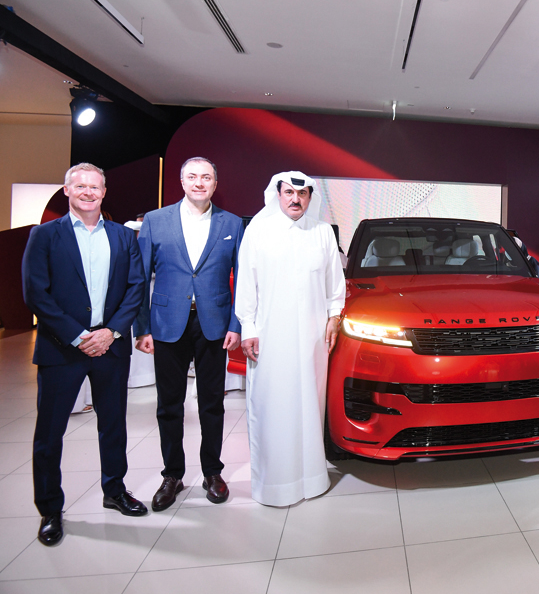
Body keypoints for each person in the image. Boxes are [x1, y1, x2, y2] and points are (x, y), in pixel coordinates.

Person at [22, 163, 147, 546]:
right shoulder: (45, 235)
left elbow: (136, 287)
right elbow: (35, 293)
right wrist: (78, 336)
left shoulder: (123, 236)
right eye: (81, 186)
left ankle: (115, 490)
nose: (88, 192)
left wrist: (111, 332)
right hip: (62, 348)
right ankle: (50, 509)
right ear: (67, 190)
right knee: (50, 433)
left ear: (104, 192)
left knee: (113, 425)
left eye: (95, 187)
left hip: (111, 346)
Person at [134, 157, 244, 511]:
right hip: (168, 323)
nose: (199, 182)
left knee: (212, 403)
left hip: (214, 324)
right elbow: (140, 277)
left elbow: (243, 278)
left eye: (206, 177)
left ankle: (212, 471)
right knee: (169, 404)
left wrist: (236, 324)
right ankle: (172, 474)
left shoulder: (232, 223)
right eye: (192, 177)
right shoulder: (156, 221)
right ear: (181, 182)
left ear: (215, 183)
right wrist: (142, 327)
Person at [235, 171, 346, 506]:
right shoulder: (258, 231)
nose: (296, 199)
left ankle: (312, 480)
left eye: (302, 194)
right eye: (289, 193)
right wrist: (248, 327)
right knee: (273, 406)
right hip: (270, 337)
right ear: (278, 194)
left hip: (313, 339)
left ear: (310, 197)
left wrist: (334, 317)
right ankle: (275, 485)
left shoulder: (322, 232)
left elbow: (334, 284)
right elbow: (247, 283)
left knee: (310, 405)